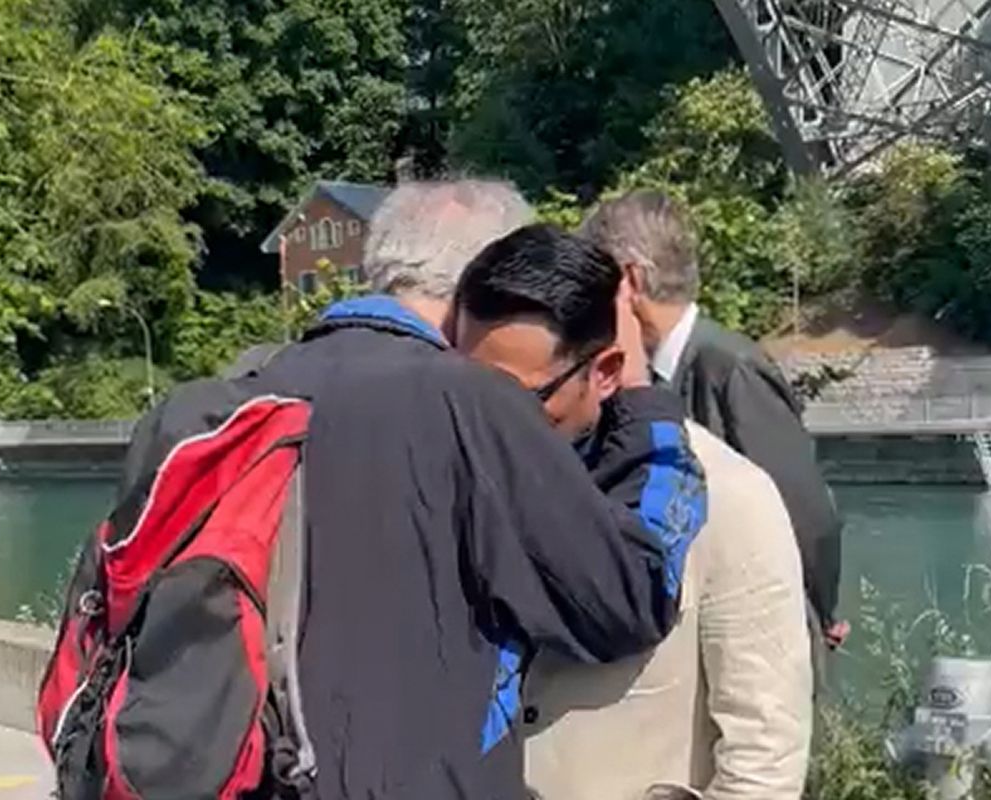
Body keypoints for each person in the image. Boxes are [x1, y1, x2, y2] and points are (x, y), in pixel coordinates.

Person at [249, 181, 707, 800]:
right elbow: (630, 594)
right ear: (481, 285)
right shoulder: (472, 406)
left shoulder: (228, 398)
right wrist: (642, 401)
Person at [453, 224, 812, 800]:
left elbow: (764, 758)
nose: (486, 423)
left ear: (606, 371)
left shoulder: (730, 499)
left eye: (516, 401)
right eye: (465, 391)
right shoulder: (456, 473)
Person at [582, 189, 849, 658]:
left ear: (630, 282)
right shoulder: (661, 372)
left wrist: (818, 615)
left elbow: (806, 515)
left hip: (764, 644)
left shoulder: (729, 368)